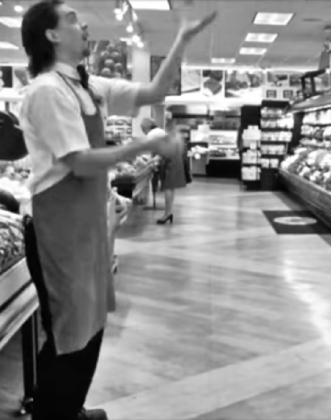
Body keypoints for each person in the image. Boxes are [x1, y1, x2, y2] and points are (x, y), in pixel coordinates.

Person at [19, 2, 216, 419]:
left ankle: (70, 408)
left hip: (87, 227)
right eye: (71, 19)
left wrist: (182, 39)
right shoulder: (47, 91)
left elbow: (154, 92)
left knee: (89, 329)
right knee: (69, 337)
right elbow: (79, 162)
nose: (83, 24)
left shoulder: (88, 85)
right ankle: (54, 412)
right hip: (59, 232)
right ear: (51, 35)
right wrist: (144, 145)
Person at [140, 116, 187, 224]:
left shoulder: (153, 134)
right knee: (170, 188)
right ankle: (168, 212)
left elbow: (159, 151)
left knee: (168, 188)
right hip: (173, 161)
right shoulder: (163, 133)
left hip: (169, 163)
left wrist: (151, 161)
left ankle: (167, 214)